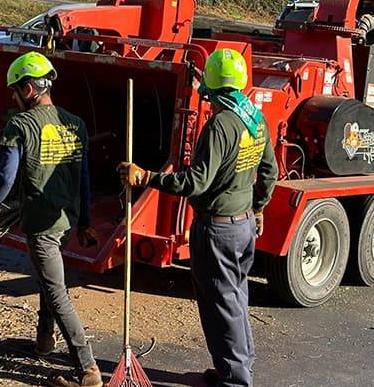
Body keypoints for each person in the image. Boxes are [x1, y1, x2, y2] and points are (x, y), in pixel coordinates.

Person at [118, 48, 278, 387]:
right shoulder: (254, 117)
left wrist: (147, 177)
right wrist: (260, 207)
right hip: (245, 224)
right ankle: (235, 368)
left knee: (221, 304)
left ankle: (235, 380)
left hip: (218, 228)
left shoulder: (221, 124)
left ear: (211, 85)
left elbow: (196, 182)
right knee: (236, 298)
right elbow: (269, 171)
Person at [0, 51, 102, 387]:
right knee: (48, 279)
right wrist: (84, 221)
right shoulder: (75, 123)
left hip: (42, 222)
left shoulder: (21, 125)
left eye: (15, 91)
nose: (13, 98)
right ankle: (44, 341)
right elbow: (84, 177)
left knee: (56, 292)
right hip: (67, 220)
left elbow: (6, 176)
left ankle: (88, 370)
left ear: (28, 89)